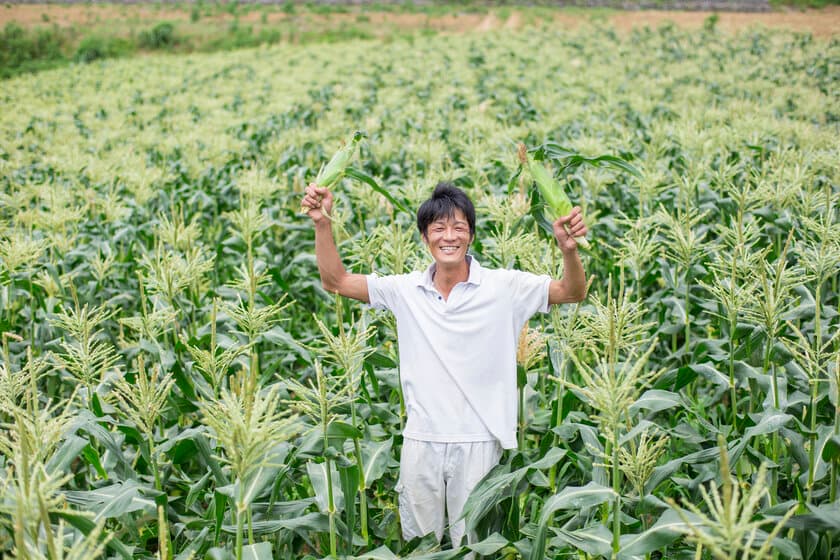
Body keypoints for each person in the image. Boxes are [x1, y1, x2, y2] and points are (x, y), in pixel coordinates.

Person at [301, 181, 587, 551]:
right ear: (425, 238)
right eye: (438, 228)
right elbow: (335, 281)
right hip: (421, 441)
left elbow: (572, 292)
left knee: (472, 547)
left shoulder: (505, 287)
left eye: (458, 228)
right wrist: (322, 222)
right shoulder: (405, 290)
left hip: (480, 442)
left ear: (470, 235)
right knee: (422, 548)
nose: (448, 236)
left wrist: (568, 249)